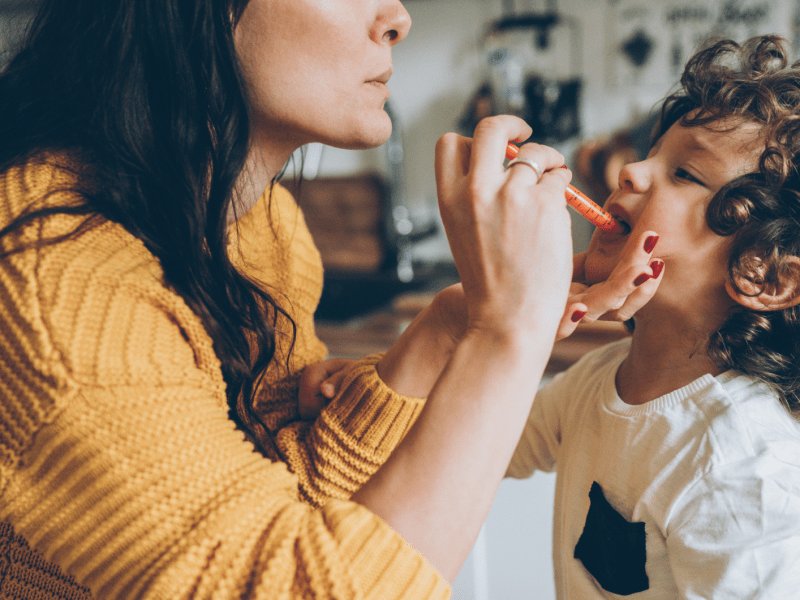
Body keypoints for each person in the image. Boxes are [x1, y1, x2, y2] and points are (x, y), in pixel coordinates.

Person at [0, 1, 661, 598]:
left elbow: (298, 497)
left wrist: (447, 328)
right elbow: (292, 585)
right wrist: (506, 331)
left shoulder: (266, 229)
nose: (397, 18)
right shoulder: (50, 279)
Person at [506, 35, 800, 598]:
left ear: (767, 276)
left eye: (684, 173)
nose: (632, 171)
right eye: (650, 153)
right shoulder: (592, 385)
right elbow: (482, 442)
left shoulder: (745, 468)